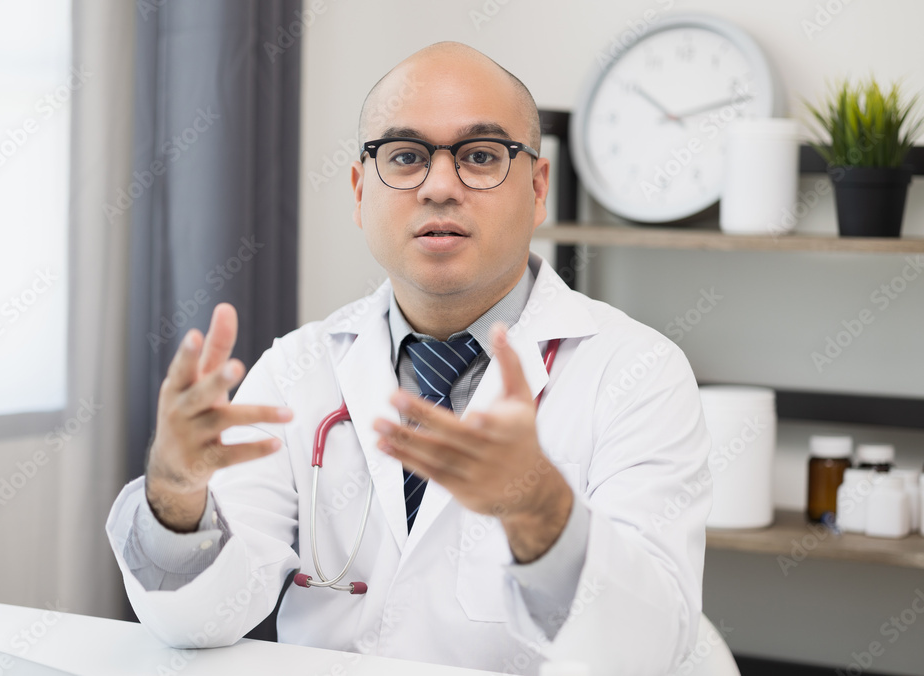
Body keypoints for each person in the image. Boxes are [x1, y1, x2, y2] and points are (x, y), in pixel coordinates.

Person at [106, 41, 711, 675]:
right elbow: (200, 622)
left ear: (537, 189)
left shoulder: (639, 373)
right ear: (360, 190)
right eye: (405, 156)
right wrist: (175, 498)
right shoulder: (297, 368)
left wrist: (542, 513)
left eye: (480, 156)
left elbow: (648, 651)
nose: (440, 187)